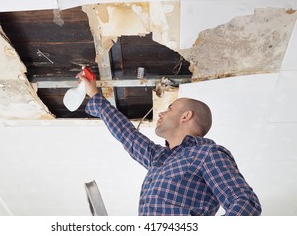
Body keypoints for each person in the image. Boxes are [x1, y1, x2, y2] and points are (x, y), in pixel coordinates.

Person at [77, 71, 262, 216]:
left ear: (186, 116)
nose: (161, 113)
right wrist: (93, 93)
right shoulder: (159, 158)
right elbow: (127, 134)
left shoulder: (208, 154)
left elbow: (245, 204)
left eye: (169, 108)